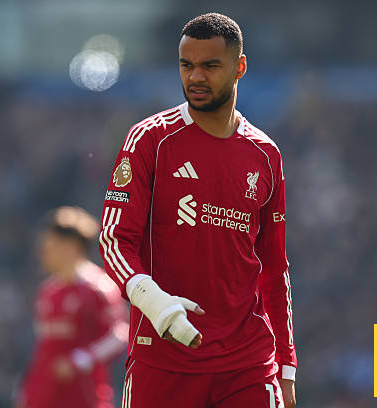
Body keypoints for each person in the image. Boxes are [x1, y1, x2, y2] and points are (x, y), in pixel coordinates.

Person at [98, 13, 296, 408]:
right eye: (186, 65)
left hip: (248, 364)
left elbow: (274, 268)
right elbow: (115, 239)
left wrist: (286, 365)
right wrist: (155, 301)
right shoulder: (150, 140)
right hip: (163, 359)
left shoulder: (265, 154)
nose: (196, 77)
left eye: (210, 66)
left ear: (239, 67)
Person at [17, 206, 129, 408]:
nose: (43, 254)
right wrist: (27, 392)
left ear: (70, 246)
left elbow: (119, 335)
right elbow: (43, 349)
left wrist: (81, 359)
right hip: (44, 397)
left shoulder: (98, 288)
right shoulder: (47, 292)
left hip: (84, 398)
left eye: (49, 247)